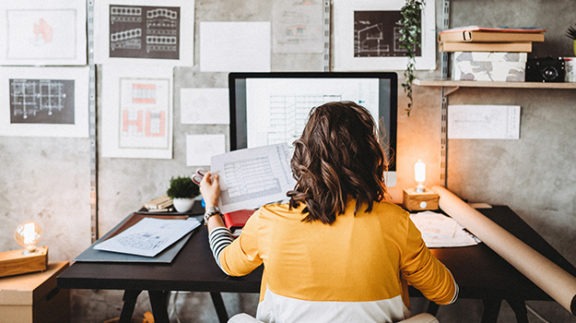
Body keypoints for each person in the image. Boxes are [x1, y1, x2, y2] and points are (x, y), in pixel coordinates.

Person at [200, 101, 458, 322]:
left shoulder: (269, 219)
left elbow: (227, 262)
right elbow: (447, 294)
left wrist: (212, 209)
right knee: (429, 319)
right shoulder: (396, 222)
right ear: (373, 159)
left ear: (303, 158)